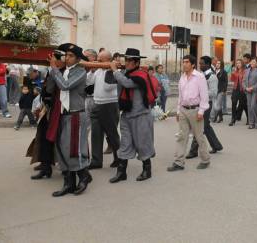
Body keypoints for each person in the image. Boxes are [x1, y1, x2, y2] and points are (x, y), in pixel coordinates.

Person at [46, 43, 91, 196]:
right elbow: (52, 88)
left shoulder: (80, 72)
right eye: (66, 55)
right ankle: (68, 183)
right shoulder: (62, 71)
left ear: (78, 59)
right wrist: (53, 70)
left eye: (71, 56)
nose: (67, 58)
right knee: (61, 149)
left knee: (74, 149)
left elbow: (66, 86)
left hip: (76, 114)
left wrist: (54, 69)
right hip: (62, 114)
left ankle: (83, 177)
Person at [108, 48, 156, 183]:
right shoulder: (125, 73)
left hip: (141, 115)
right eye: (126, 59)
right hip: (127, 114)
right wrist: (114, 71)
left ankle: (147, 170)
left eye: (129, 60)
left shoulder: (141, 75)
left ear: (136, 62)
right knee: (125, 143)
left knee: (143, 144)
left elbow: (127, 83)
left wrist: (115, 71)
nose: (126, 62)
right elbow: (117, 82)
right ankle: (121, 172)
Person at [167, 55, 210, 172]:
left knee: (199, 136)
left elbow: (204, 96)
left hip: (195, 110)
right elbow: (180, 96)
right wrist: (177, 110)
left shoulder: (199, 77)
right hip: (183, 110)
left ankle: (205, 160)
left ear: (192, 64)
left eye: (186, 62)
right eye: (183, 62)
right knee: (182, 136)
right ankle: (178, 162)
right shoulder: (182, 77)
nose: (184, 64)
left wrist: (201, 111)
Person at [85, 50, 121, 170]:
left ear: (108, 60)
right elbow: (88, 81)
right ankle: (96, 161)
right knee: (95, 134)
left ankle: (119, 158)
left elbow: (108, 87)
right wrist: (92, 70)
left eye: (101, 60)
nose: (98, 61)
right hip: (96, 104)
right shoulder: (98, 70)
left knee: (112, 134)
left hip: (109, 105)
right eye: (97, 59)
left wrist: (110, 70)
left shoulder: (115, 71)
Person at [186, 56, 223, 156]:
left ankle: (193, 151)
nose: (200, 65)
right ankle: (216, 145)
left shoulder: (212, 77)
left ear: (207, 64)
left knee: (199, 127)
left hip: (206, 105)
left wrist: (201, 92)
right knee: (205, 127)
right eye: (199, 63)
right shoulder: (200, 75)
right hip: (199, 104)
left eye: (202, 63)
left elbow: (214, 93)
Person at [244, 57, 257, 129]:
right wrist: (246, 87)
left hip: (255, 91)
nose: (252, 63)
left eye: (254, 62)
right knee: (249, 107)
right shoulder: (247, 70)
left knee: (253, 106)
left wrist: (252, 87)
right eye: (251, 62)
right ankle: (251, 123)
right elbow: (243, 80)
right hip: (248, 91)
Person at [229, 59, 247, 126]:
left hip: (242, 90)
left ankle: (248, 118)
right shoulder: (235, 71)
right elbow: (232, 79)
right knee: (234, 104)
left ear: (242, 64)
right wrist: (232, 73)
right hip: (235, 89)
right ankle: (233, 119)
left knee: (243, 104)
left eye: (239, 63)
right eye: (237, 63)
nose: (238, 64)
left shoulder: (245, 71)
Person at [211, 58, 228, 123]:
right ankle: (220, 117)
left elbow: (226, 82)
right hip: (214, 90)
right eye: (217, 63)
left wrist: (224, 90)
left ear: (221, 65)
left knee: (217, 104)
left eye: (219, 63)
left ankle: (215, 117)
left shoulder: (224, 72)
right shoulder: (213, 71)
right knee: (217, 104)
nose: (217, 64)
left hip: (221, 90)